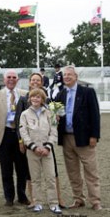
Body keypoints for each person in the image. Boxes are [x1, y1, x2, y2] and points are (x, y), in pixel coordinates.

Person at [55, 65, 102, 211]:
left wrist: (94, 135)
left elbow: (95, 115)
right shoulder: (60, 94)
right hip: (67, 138)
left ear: (76, 77)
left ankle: (95, 201)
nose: (67, 77)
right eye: (65, 75)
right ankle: (78, 199)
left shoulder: (87, 92)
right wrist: (54, 116)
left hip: (85, 138)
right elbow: (54, 114)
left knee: (91, 171)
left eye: (70, 74)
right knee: (73, 172)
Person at [16, 73, 65, 209]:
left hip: (47, 150)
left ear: (43, 99)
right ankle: (37, 203)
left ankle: (54, 203)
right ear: (29, 98)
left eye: (38, 97)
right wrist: (31, 146)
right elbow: (23, 131)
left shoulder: (50, 113)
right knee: (35, 178)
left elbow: (54, 131)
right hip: (32, 150)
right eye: (33, 97)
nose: (35, 99)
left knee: (50, 178)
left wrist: (48, 146)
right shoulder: (25, 114)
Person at [0, 69, 30, 206]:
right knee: (6, 168)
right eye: (8, 77)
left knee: (22, 168)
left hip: (20, 136)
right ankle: (9, 198)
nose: (11, 79)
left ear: (17, 80)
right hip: (3, 135)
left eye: (14, 77)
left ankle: (22, 196)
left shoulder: (24, 94)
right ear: (4, 80)